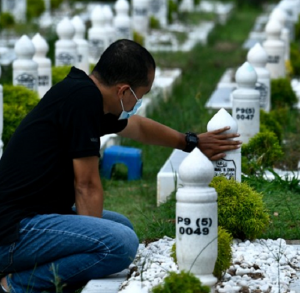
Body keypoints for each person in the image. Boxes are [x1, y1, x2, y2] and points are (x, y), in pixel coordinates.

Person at [0, 39, 241, 293]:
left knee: (122, 226)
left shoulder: (85, 93)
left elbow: (136, 126)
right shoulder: (82, 101)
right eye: (141, 95)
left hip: (32, 217)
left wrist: (191, 142)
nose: (138, 103)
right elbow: (86, 185)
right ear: (124, 91)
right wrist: (95, 239)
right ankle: (15, 285)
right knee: (121, 244)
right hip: (14, 233)